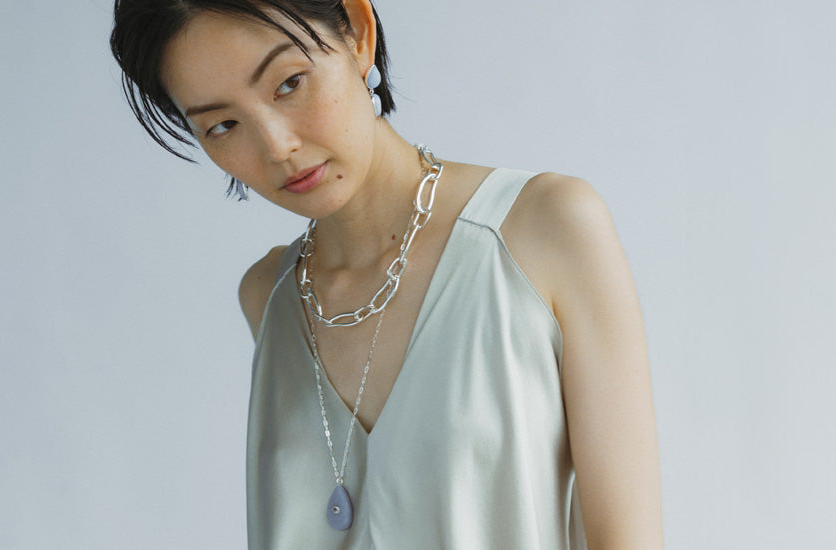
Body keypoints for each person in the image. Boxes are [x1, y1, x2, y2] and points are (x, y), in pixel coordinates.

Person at [107, 1, 663, 548]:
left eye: (288, 83)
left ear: (357, 31)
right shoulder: (268, 296)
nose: (278, 146)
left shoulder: (543, 230)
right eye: (223, 124)